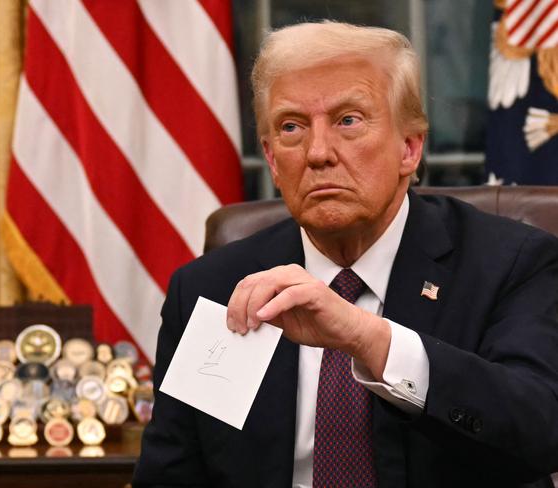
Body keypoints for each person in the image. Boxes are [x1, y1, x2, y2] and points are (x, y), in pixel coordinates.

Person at [133, 21, 558, 488]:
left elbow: (540, 430)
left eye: (348, 120)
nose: (318, 153)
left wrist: (367, 339)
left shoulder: (511, 264)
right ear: (273, 160)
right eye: (291, 127)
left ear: (409, 148)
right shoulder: (214, 289)